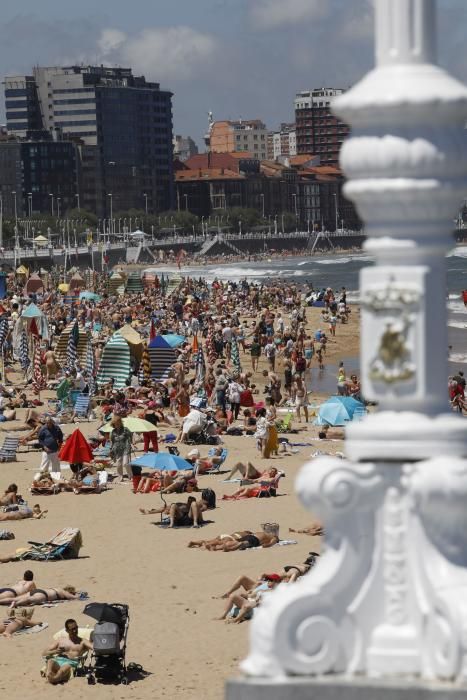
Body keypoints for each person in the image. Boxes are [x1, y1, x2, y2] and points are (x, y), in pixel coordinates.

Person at [43, 618, 93, 684]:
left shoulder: (82, 641)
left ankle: (53, 679)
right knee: (50, 661)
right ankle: (49, 675)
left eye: (76, 628)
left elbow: (93, 648)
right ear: (67, 630)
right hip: (58, 660)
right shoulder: (61, 640)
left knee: (63, 669)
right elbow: (44, 653)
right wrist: (56, 651)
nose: (75, 631)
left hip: (71, 662)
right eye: (72, 629)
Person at [2, 585, 81, 607]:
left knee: (14, 598)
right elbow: (75, 598)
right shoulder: (63, 592)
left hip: (37, 591)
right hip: (43, 595)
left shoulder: (57, 588)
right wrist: (77, 594)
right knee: (29, 599)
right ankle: (16, 604)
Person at [109, 415, 133, 481]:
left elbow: (130, 437)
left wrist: (131, 443)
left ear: (120, 422)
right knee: (119, 463)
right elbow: (112, 441)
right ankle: (120, 477)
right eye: (115, 423)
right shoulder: (113, 431)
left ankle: (130, 476)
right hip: (117, 449)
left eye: (118, 422)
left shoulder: (125, 429)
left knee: (125, 463)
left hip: (126, 447)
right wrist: (111, 450)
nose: (117, 424)